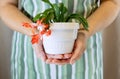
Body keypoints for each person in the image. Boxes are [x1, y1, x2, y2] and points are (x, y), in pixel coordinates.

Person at [0, 0, 120, 79]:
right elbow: (6, 4)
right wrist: (34, 33)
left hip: (85, 55)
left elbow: (112, 2)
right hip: (31, 58)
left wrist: (84, 32)